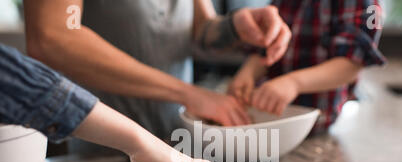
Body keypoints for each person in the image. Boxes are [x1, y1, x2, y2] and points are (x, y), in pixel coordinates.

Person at [0, 43, 230, 162]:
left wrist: (231, 29)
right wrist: (140, 141)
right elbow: (18, 76)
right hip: (97, 153)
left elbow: (201, 31)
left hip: (161, 136)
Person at [23, 0, 291, 138]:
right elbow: (53, 37)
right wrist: (188, 94)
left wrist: (236, 26)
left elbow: (200, 29)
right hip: (100, 147)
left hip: (177, 142)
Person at [228, 0, 387, 132]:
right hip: (269, 118)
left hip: (318, 120)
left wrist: (293, 83)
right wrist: (248, 72)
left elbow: (351, 64)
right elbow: (268, 46)